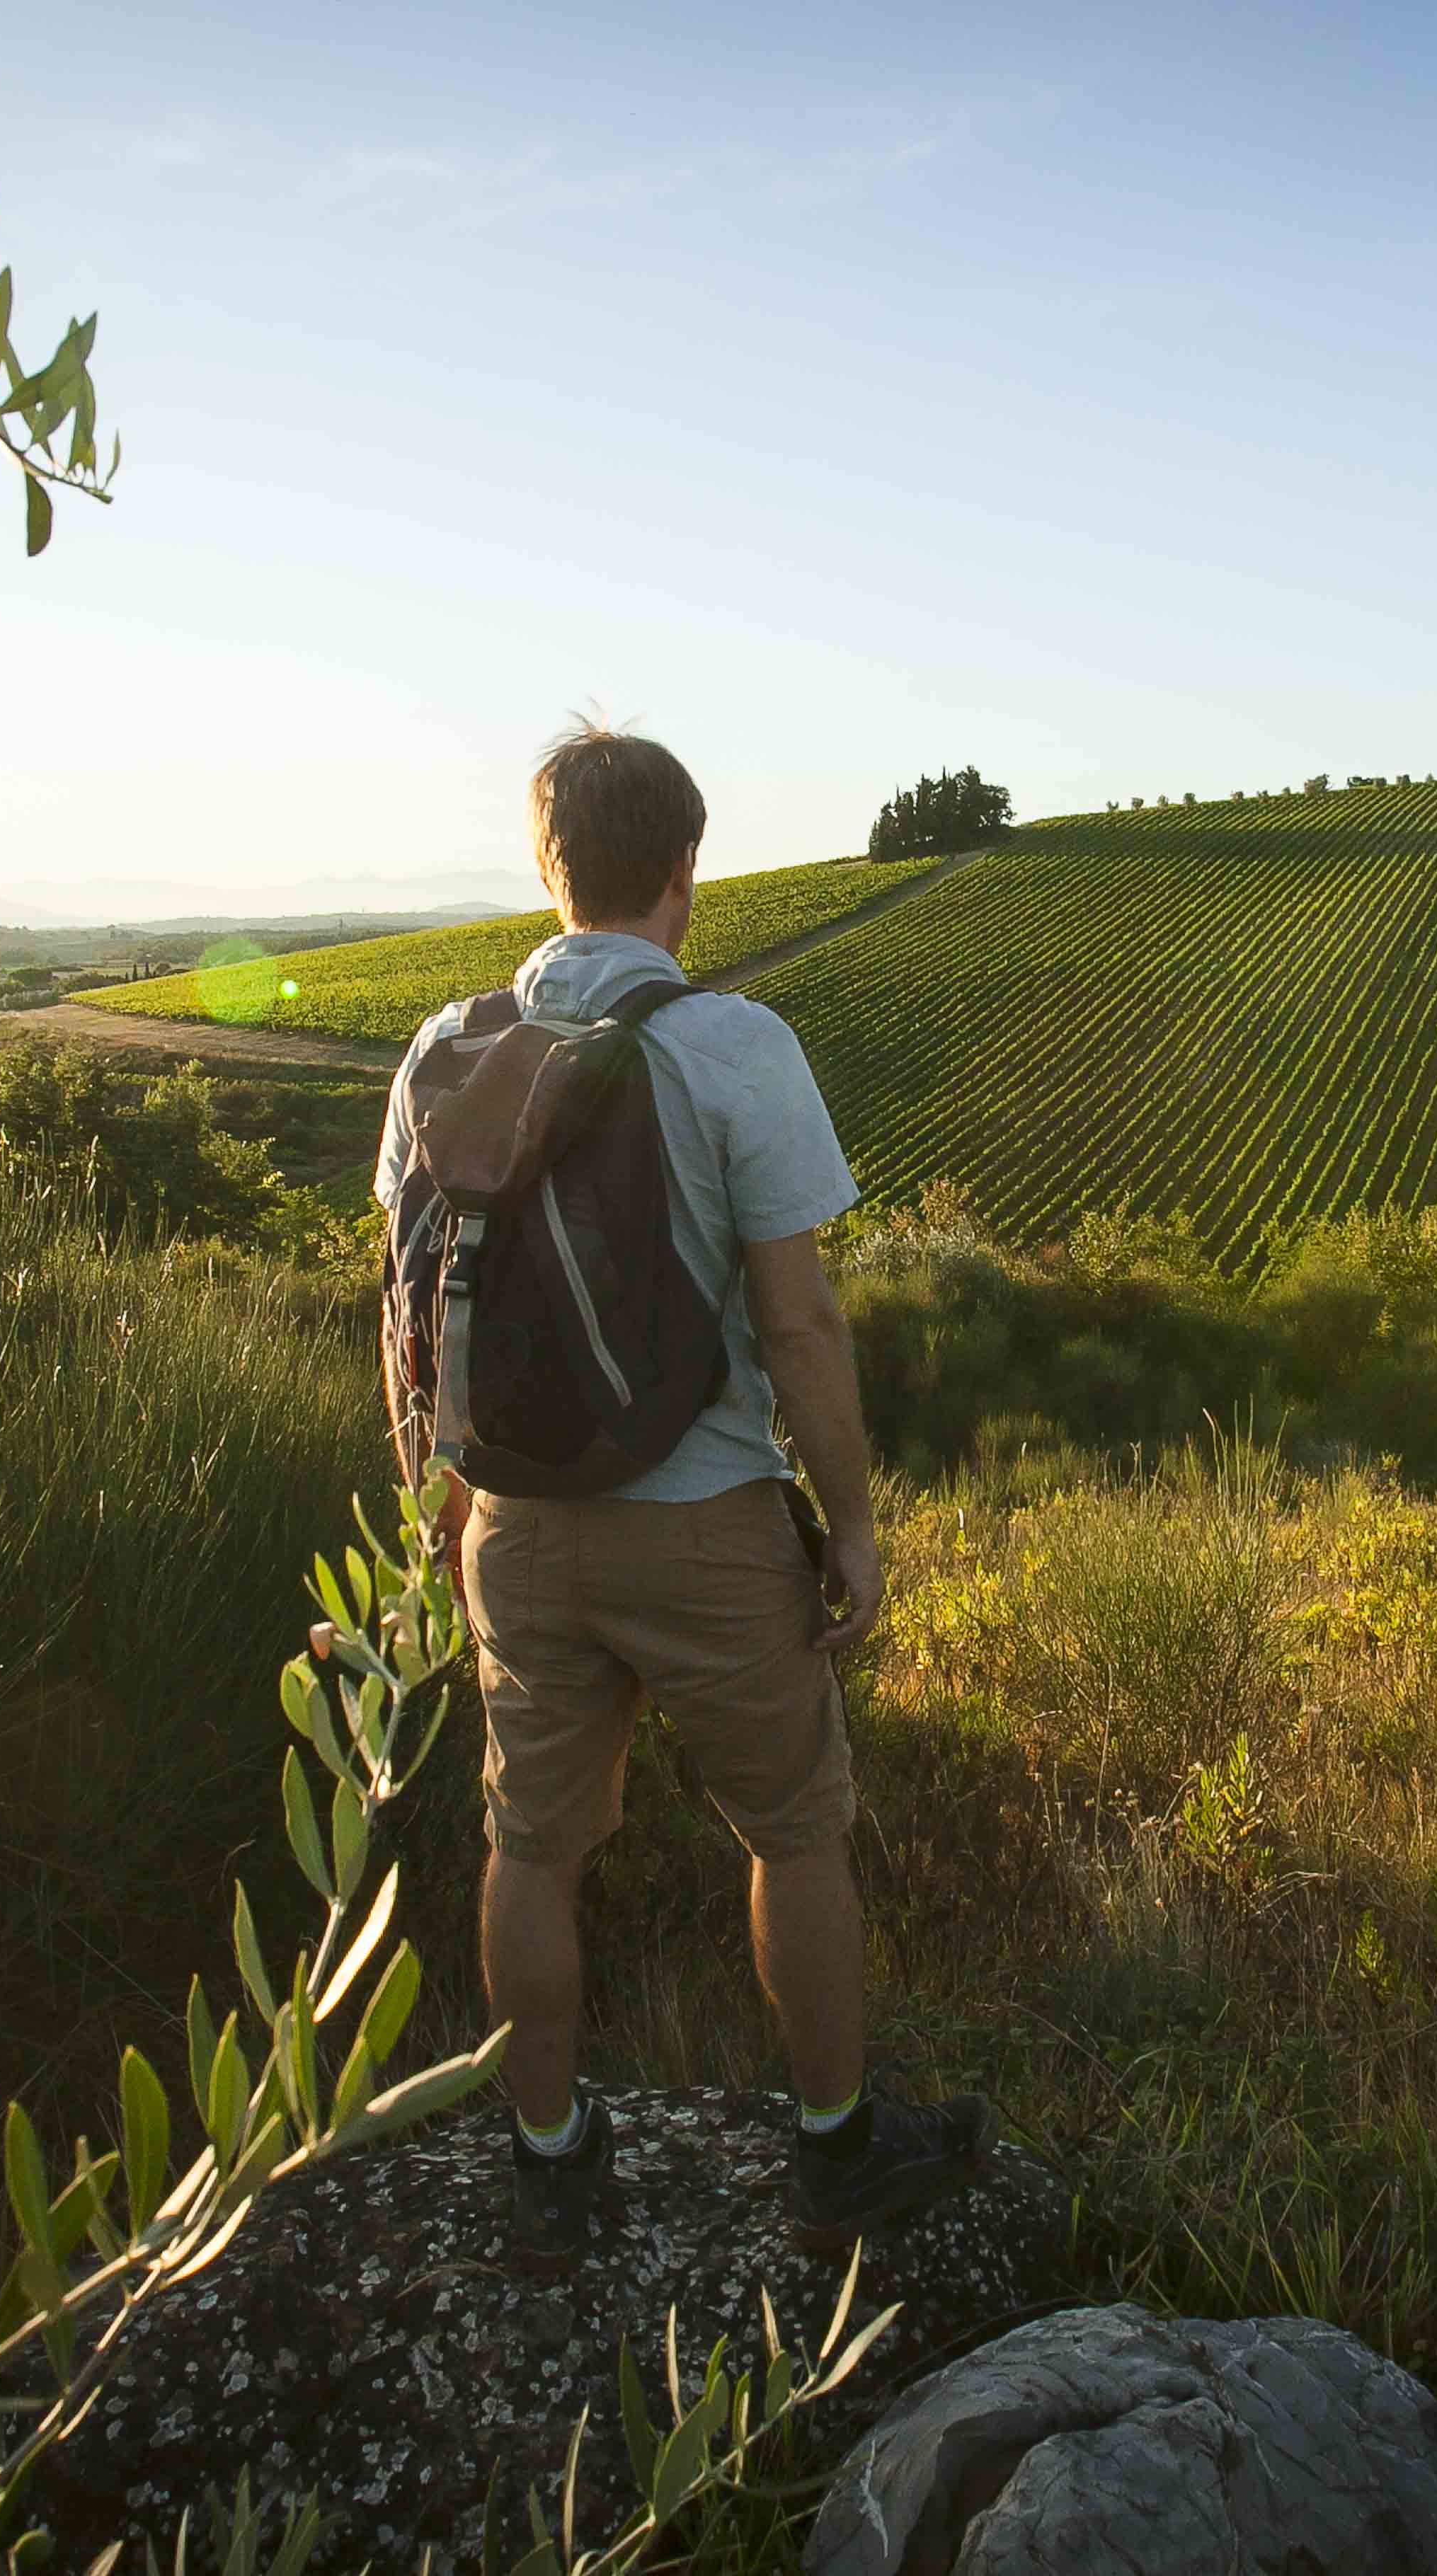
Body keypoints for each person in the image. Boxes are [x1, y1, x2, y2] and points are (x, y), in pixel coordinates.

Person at [374, 722, 991, 2272]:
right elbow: (801, 1323)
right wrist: (852, 1523)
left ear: (549, 868)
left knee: (531, 1844)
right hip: (706, 1512)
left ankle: (547, 2165)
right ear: (686, 868)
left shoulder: (444, 1046)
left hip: (512, 1524)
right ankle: (835, 2151)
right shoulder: (734, 1046)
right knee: (794, 1829)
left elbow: (415, 1311)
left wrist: (437, 1505)